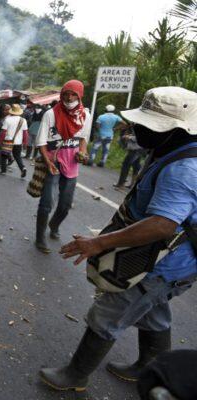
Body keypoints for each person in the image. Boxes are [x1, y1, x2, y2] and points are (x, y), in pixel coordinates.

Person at [39, 86, 197, 392]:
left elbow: (162, 225)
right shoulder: (174, 151)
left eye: (149, 125)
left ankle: (75, 376)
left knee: (108, 313)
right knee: (153, 310)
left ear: (176, 129)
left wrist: (98, 244)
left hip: (163, 261)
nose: (139, 129)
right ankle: (149, 368)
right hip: (173, 261)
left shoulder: (182, 169)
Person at [34, 80, 90, 254]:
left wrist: (83, 153)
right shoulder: (51, 114)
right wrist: (48, 161)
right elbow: (41, 141)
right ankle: (40, 237)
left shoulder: (85, 115)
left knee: (65, 204)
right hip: (54, 161)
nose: (69, 98)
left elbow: (83, 139)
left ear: (80, 95)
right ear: (61, 95)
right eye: (66, 94)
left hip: (72, 164)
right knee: (46, 203)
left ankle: (54, 224)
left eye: (73, 94)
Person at [0, 103, 28, 177]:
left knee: (4, 156)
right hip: (18, 142)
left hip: (8, 141)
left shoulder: (7, 119)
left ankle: (3, 171)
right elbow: (25, 133)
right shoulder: (23, 120)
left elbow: (3, 132)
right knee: (17, 156)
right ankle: (23, 168)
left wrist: (0, 142)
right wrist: (25, 143)